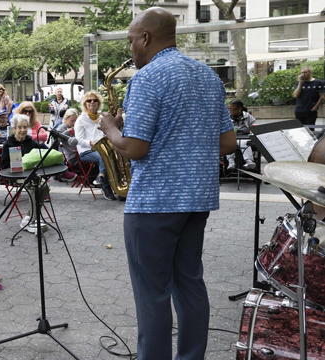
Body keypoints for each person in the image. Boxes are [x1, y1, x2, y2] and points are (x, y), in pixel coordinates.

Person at [96, 8, 237, 360]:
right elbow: (228, 143)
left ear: (145, 37)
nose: (130, 48)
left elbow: (136, 149)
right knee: (190, 283)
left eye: (131, 40)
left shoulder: (146, 79)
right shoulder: (208, 76)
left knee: (152, 294)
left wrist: (110, 128)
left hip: (155, 203)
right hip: (198, 199)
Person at [0, 115, 55, 233]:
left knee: (45, 186)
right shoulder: (8, 144)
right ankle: (34, 221)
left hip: (32, 175)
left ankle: (29, 217)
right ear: (14, 129)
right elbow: (4, 166)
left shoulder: (31, 142)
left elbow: (41, 157)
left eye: (25, 127)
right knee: (33, 189)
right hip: (16, 176)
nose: (23, 130)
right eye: (19, 127)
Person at [75, 91, 116, 201]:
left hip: (102, 148)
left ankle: (116, 186)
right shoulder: (80, 120)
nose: (92, 102)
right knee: (104, 156)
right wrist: (91, 143)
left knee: (114, 156)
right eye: (89, 100)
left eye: (95, 100)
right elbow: (78, 140)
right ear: (85, 104)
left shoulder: (102, 117)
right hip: (86, 151)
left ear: (98, 103)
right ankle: (105, 185)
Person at [226, 99, 256, 170]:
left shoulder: (248, 117)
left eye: (232, 110)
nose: (230, 112)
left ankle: (249, 161)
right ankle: (231, 162)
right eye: (229, 109)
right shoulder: (226, 117)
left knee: (243, 142)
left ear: (239, 109)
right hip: (231, 138)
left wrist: (252, 130)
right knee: (229, 143)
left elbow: (254, 125)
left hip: (244, 138)